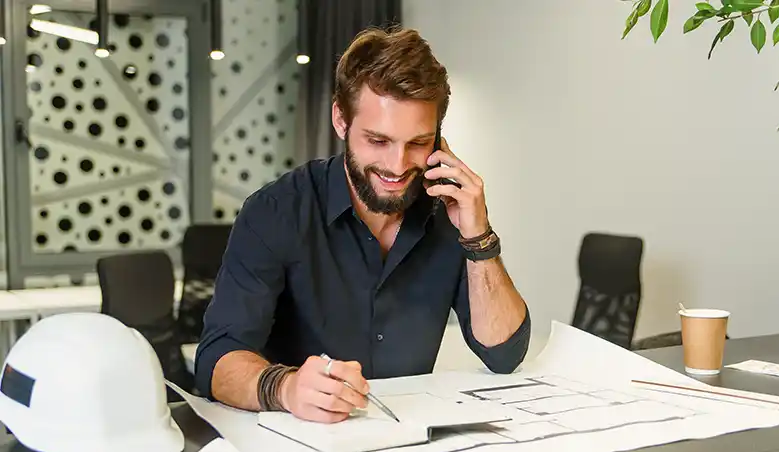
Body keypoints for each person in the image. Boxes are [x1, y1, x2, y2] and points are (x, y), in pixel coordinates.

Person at [194, 26, 530, 423]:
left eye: (419, 143)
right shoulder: (275, 211)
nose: (397, 165)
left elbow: (503, 353)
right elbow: (216, 358)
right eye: (378, 140)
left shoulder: (447, 213)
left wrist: (478, 237)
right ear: (341, 120)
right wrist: (283, 387)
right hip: (301, 445)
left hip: (412, 446)